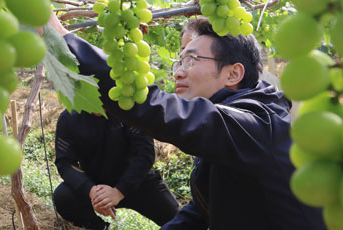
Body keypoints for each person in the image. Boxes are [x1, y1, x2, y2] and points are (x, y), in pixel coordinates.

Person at [49, 14, 326, 230]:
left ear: (233, 74)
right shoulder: (234, 125)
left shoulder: (256, 124)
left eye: (190, 60)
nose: (178, 73)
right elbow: (205, 207)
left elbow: (162, 111)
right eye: (179, 62)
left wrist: (64, 39)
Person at [53, 109, 180, 230]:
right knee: (63, 197)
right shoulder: (69, 117)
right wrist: (92, 192)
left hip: (138, 182)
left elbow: (144, 156)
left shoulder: (130, 110)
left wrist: (119, 192)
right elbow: (65, 162)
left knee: (182, 222)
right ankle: (99, 227)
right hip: (96, 185)